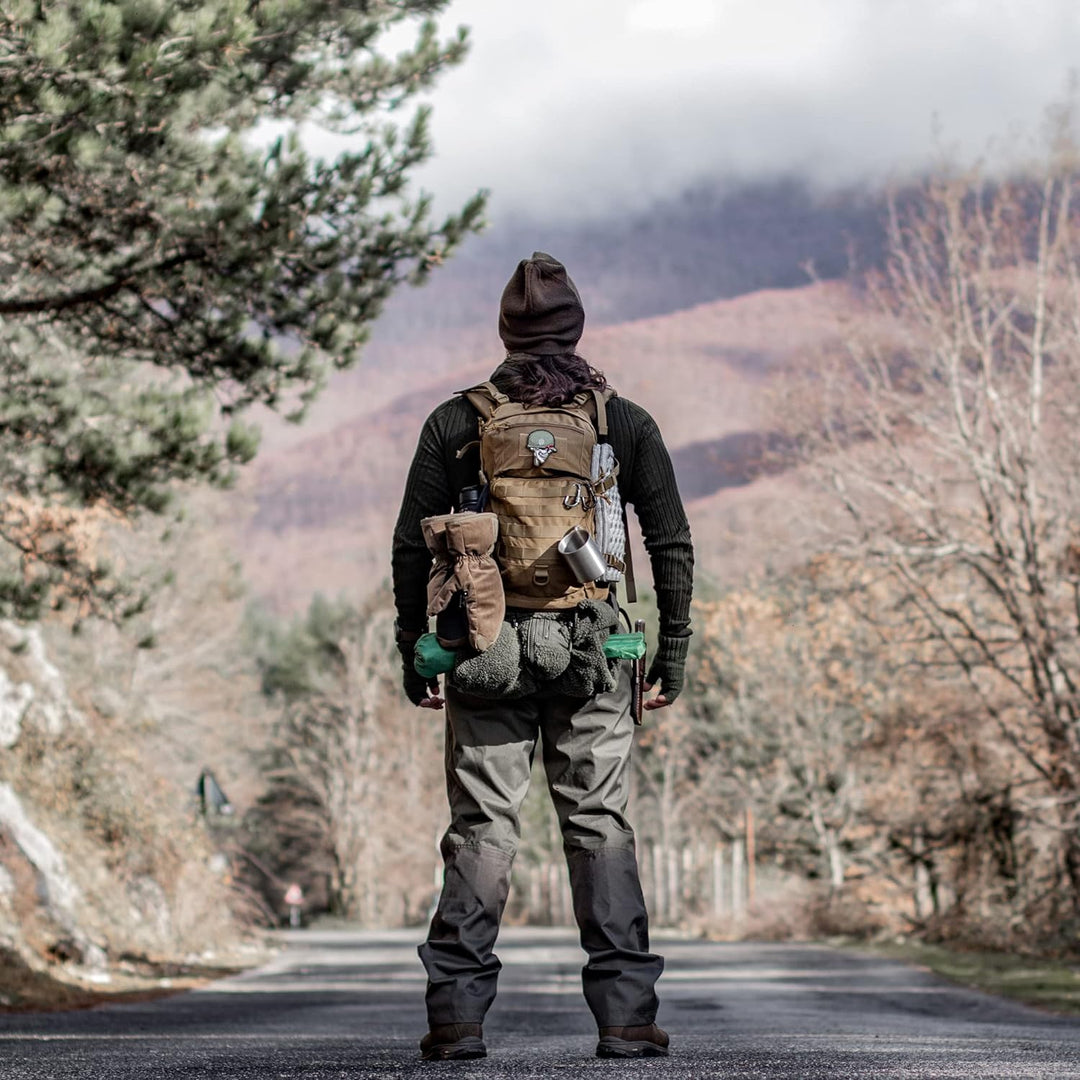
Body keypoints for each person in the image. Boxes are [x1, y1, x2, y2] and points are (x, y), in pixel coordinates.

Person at [391, 252, 694, 1061]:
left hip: (483, 648)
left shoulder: (457, 422)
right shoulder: (621, 422)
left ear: (505, 332)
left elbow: (410, 546)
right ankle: (625, 1019)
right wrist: (673, 648)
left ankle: (456, 1019)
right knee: (598, 823)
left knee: (481, 826)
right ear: (576, 329)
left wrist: (415, 652)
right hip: (596, 647)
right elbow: (669, 539)